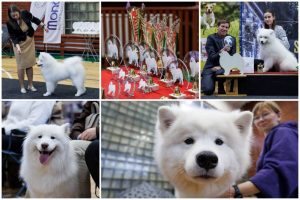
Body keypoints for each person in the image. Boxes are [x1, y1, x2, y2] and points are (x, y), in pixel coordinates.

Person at [221, 101, 298, 198]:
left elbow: (277, 171)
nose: (261, 119)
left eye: (265, 114)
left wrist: (233, 191)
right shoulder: (272, 138)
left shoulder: (282, 132)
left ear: (278, 115)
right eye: (256, 118)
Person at [2, 101, 55, 188]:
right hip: (9, 133)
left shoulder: (45, 101)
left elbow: (35, 123)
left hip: (23, 137)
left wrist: (5, 129)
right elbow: (9, 121)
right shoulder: (18, 99)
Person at [6, 4, 48, 94]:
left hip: (29, 40)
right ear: (10, 15)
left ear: (19, 12)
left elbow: (35, 19)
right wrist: (17, 46)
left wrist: (43, 26)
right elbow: (13, 36)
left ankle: (30, 85)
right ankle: (22, 87)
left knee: (29, 63)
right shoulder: (9, 22)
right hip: (18, 44)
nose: (15, 17)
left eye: (16, 14)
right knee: (21, 65)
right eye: (12, 16)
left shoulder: (25, 13)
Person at [70, 101, 99, 197]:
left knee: (74, 148)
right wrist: (79, 135)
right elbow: (78, 121)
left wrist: (98, 131)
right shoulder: (91, 103)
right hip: (87, 140)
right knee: (69, 147)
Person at [201, 19, 236, 95]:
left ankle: (220, 84)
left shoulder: (232, 39)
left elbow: (233, 57)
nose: (224, 29)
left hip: (223, 67)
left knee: (220, 72)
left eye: (226, 27)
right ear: (217, 27)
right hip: (211, 66)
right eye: (222, 26)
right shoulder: (211, 38)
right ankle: (210, 80)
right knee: (208, 91)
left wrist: (221, 66)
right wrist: (222, 50)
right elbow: (212, 57)